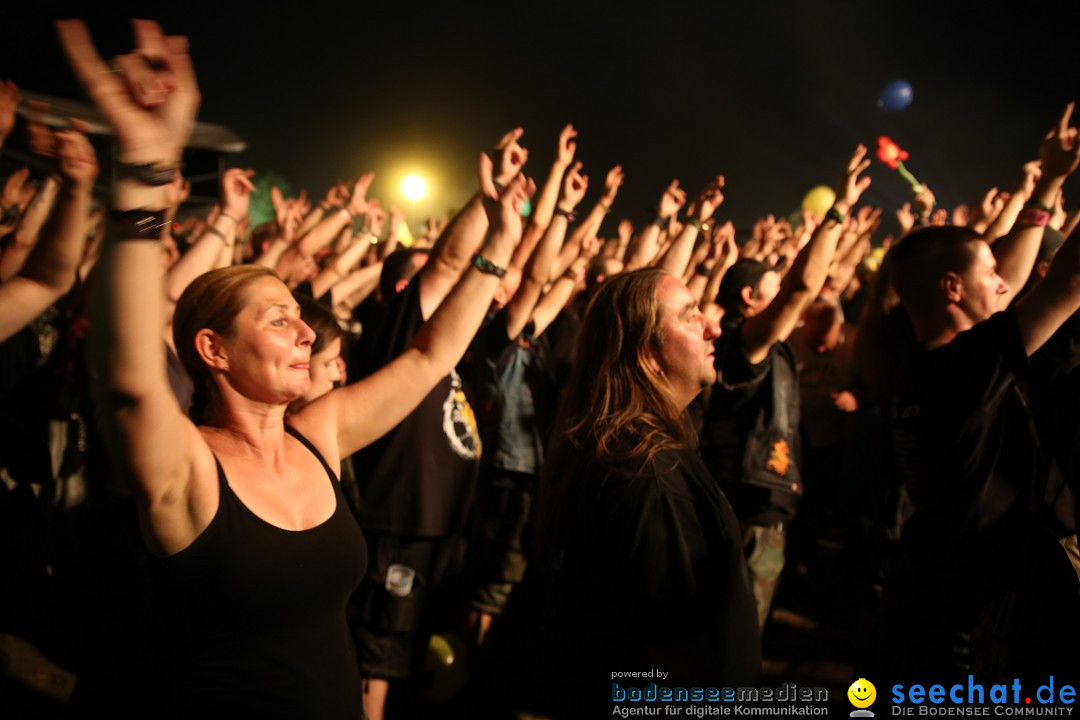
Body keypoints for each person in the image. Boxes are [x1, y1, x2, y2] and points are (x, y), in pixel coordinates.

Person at [59, 18, 530, 717]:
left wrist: (502, 242)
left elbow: (432, 355)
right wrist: (144, 171)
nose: (307, 330)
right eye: (278, 319)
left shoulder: (321, 434)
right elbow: (129, 375)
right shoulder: (186, 466)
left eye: (298, 315)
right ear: (213, 351)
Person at [881, 102, 1080, 679]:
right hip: (982, 603)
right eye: (988, 272)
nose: (1004, 282)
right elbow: (1068, 278)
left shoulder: (927, 357)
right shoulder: (966, 366)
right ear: (951, 287)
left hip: (937, 586)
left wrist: (1049, 184)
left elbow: (1013, 278)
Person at [534, 268, 760, 717]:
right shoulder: (649, 473)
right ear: (649, 355)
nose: (713, 326)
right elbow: (675, 653)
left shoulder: (622, 446)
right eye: (690, 316)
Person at [700, 146, 872, 627]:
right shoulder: (742, 339)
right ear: (750, 298)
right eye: (775, 288)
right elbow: (804, 287)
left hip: (764, 501)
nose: (790, 297)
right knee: (733, 634)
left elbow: (817, 286)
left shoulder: (765, 342)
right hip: (747, 503)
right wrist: (838, 209)